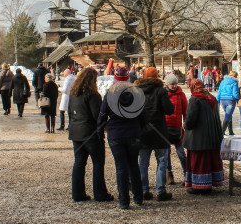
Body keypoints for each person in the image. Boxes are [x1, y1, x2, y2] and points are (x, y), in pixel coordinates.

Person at [98, 68, 146, 210]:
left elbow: (102, 115)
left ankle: (124, 201)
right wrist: (139, 128)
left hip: (116, 134)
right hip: (133, 133)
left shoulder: (110, 95)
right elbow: (144, 115)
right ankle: (138, 197)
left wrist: (100, 131)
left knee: (121, 168)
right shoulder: (136, 94)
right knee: (133, 165)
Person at [67, 67, 113, 203]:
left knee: (79, 163)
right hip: (91, 133)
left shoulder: (73, 94)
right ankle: (100, 193)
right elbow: (97, 115)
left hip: (76, 132)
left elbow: (70, 113)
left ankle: (77, 193)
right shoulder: (93, 95)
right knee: (98, 163)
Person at [135, 66, 174, 202]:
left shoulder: (137, 91)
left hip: (143, 130)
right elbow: (169, 110)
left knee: (143, 163)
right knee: (162, 162)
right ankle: (160, 190)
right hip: (159, 130)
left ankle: (144, 190)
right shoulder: (160, 91)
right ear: (157, 76)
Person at [183, 79, 224, 194]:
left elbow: (190, 119)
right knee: (209, 160)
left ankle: (200, 186)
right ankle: (210, 183)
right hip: (212, 136)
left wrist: (185, 125)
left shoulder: (195, 99)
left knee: (200, 162)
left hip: (199, 137)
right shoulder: (212, 98)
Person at [164, 73, 188, 185]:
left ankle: (187, 174)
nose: (174, 86)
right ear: (167, 84)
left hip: (177, 128)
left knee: (181, 153)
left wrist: (185, 122)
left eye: (175, 84)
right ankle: (169, 176)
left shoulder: (181, 95)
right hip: (165, 127)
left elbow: (186, 110)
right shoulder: (163, 94)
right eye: (171, 84)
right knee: (166, 153)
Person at [216, 69, 240, 135]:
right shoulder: (234, 82)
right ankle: (222, 132)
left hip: (222, 100)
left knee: (229, 115)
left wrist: (217, 100)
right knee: (228, 115)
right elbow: (235, 93)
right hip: (230, 100)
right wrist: (239, 98)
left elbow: (219, 91)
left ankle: (230, 131)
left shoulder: (223, 81)